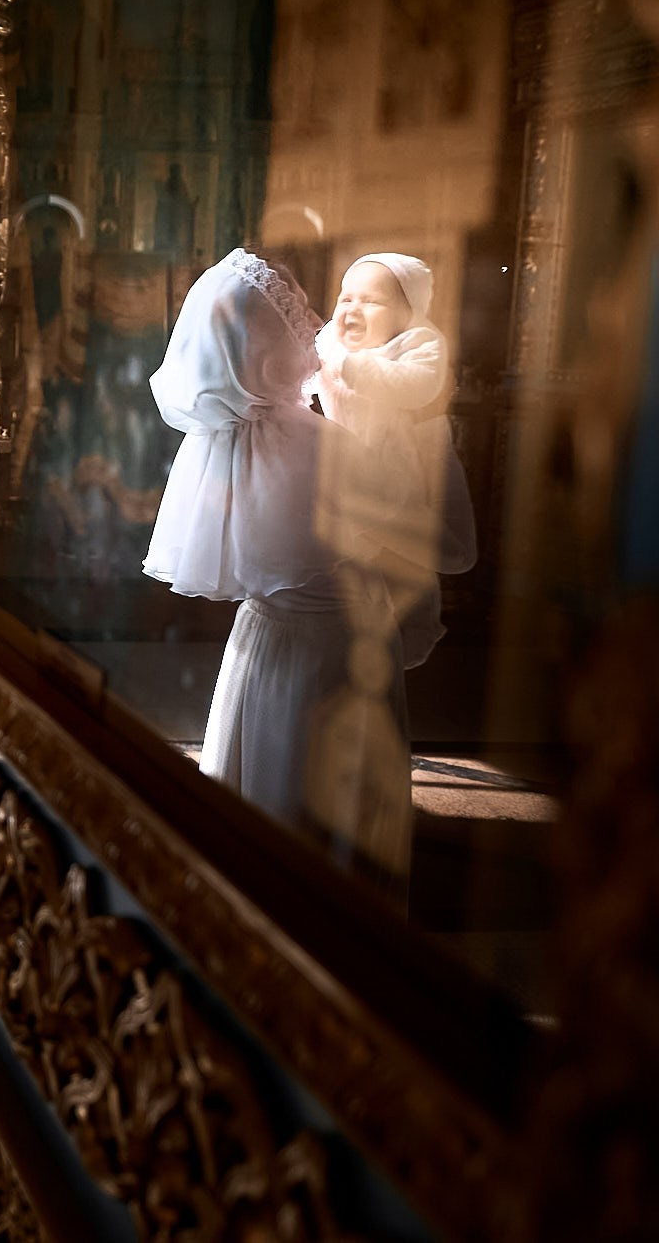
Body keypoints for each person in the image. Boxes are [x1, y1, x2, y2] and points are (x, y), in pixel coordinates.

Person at [142, 249, 416, 889]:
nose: (312, 320)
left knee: (258, 792)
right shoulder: (320, 441)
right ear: (267, 347)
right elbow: (395, 513)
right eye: (294, 315)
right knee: (321, 819)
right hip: (333, 657)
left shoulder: (225, 440)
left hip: (259, 644)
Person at [311, 253, 476, 669]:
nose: (352, 308)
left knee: (404, 551)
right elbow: (304, 377)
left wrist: (351, 367)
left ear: (408, 312)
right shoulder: (328, 340)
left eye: (371, 300)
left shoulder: (419, 342)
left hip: (397, 462)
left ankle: (413, 625)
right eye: (346, 297)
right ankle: (352, 636)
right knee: (349, 556)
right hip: (339, 459)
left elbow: (416, 386)